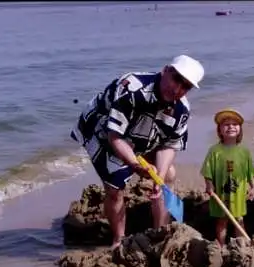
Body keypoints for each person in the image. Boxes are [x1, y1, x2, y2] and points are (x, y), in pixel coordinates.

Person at [70, 55, 204, 249]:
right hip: (103, 130)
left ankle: (160, 232)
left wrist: (159, 175)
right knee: (115, 187)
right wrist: (133, 163)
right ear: (165, 70)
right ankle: (118, 239)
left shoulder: (181, 109)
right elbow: (114, 136)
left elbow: (169, 145)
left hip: (144, 133)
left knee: (168, 175)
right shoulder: (132, 90)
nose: (176, 89)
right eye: (175, 79)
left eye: (185, 86)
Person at [200, 109, 254, 246]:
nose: (231, 127)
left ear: (240, 129)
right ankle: (221, 245)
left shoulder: (244, 151)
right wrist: (209, 184)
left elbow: (250, 171)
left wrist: (253, 186)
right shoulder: (215, 151)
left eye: (234, 124)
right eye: (226, 124)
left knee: (239, 219)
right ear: (219, 130)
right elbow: (207, 170)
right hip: (220, 194)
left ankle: (241, 245)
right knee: (222, 220)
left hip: (238, 194)